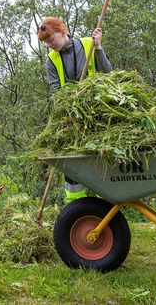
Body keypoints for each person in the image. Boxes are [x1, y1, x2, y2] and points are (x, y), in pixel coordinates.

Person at [38, 16, 112, 202]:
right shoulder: (51, 61)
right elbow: (57, 92)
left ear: (62, 32)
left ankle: (102, 204)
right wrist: (72, 100)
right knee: (71, 159)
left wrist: (99, 47)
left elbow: (108, 72)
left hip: (98, 112)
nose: (49, 45)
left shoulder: (89, 44)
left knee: (100, 157)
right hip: (72, 118)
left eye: (51, 40)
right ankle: (75, 206)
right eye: (45, 43)